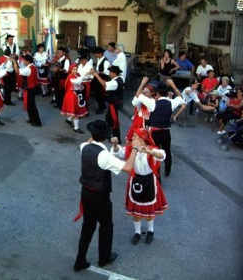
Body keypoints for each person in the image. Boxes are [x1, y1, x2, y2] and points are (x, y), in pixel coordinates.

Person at [73, 120, 138, 272]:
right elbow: (128, 167)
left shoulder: (84, 147)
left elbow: (90, 141)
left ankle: (80, 260)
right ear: (105, 137)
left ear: (92, 134)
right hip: (99, 196)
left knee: (87, 227)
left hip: (86, 192)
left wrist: (95, 136)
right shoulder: (104, 155)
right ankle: (104, 258)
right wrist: (134, 148)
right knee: (106, 225)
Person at [111, 128, 168, 245]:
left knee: (149, 210)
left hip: (149, 182)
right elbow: (118, 152)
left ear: (142, 139)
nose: (132, 138)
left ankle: (150, 231)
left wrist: (149, 152)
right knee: (136, 211)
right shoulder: (130, 149)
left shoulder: (152, 149)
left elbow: (162, 155)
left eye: (135, 137)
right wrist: (115, 144)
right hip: (136, 181)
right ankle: (137, 232)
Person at [148, 82, 183, 177]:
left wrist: (143, 83)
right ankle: (168, 169)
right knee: (167, 150)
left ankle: (157, 172)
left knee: (155, 152)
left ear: (157, 93)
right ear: (167, 93)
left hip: (155, 132)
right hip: (166, 132)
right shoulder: (171, 103)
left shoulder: (152, 103)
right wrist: (174, 85)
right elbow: (181, 97)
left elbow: (138, 96)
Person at [92, 66, 124, 143]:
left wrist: (96, 75)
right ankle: (108, 134)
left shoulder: (114, 82)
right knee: (109, 119)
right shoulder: (119, 79)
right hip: (115, 102)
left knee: (114, 121)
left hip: (113, 104)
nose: (109, 74)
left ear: (114, 73)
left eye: (110, 72)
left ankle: (117, 138)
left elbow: (104, 84)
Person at [13, 54, 42, 127]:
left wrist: (14, 62)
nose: (23, 61)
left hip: (30, 88)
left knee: (31, 105)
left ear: (27, 61)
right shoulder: (33, 67)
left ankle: (37, 122)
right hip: (32, 87)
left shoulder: (28, 69)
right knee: (30, 105)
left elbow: (17, 71)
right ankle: (32, 119)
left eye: (24, 60)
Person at [126, 76, 156, 142]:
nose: (144, 94)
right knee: (135, 140)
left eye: (146, 92)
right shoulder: (141, 99)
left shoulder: (152, 101)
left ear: (151, 93)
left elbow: (138, 95)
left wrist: (142, 83)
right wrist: (142, 85)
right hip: (139, 121)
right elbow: (134, 103)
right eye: (143, 92)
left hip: (148, 123)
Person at [61, 65, 89, 133]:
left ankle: (69, 119)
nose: (75, 71)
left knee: (75, 110)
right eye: (74, 69)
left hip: (77, 94)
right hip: (72, 95)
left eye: (76, 69)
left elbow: (80, 83)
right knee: (76, 112)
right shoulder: (70, 77)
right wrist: (84, 75)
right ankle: (76, 128)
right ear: (71, 70)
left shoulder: (77, 75)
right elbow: (77, 82)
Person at [92, 47, 110, 114]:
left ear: (100, 54)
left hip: (101, 79)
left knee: (100, 94)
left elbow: (107, 73)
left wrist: (97, 72)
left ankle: (101, 107)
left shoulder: (105, 61)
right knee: (96, 94)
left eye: (96, 54)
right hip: (96, 79)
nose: (95, 55)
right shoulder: (98, 59)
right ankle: (101, 105)